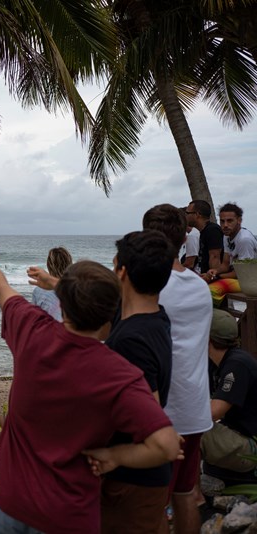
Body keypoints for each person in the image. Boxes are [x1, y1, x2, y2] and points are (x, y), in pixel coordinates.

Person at [0, 228, 182, 534]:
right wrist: (112, 456)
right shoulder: (119, 374)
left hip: (10, 504)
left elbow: (1, 288)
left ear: (62, 306)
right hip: (67, 515)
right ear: (110, 319)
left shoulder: (31, 330)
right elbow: (166, 446)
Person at [143, 204, 213, 534]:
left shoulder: (151, 290)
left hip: (161, 411)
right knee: (186, 494)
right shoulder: (200, 287)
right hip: (195, 408)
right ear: (184, 237)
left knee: (152, 502)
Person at [100, 230, 175, 534]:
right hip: (144, 480)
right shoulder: (156, 317)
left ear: (122, 272)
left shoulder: (131, 340)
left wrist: (111, 455)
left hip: (132, 480)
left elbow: (150, 422)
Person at [201, 310, 257, 480]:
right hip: (237, 436)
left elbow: (213, 412)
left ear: (207, 338)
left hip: (250, 447)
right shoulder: (219, 361)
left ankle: (188, 491)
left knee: (191, 430)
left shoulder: (237, 364)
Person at [207, 202, 257, 306]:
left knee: (209, 291)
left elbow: (243, 274)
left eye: (229, 221)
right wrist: (214, 271)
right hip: (243, 279)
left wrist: (217, 277)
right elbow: (225, 264)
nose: (225, 225)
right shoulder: (227, 236)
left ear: (239, 220)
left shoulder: (244, 240)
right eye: (222, 221)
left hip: (251, 281)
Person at [31, 246, 72, 321]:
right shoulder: (78, 289)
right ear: (69, 264)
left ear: (48, 265)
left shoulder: (39, 291)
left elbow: (34, 320)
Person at [186, 199, 223, 278]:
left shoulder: (212, 230)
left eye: (187, 213)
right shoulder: (200, 232)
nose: (186, 216)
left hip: (209, 278)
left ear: (197, 214)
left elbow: (215, 257)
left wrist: (211, 277)